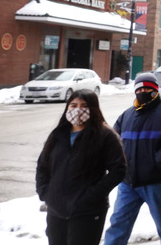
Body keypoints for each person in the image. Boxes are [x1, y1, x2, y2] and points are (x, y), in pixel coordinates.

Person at [36, 89, 126, 245]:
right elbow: (43, 165)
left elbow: (119, 170)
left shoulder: (105, 136)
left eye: (84, 105)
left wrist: (92, 195)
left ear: (93, 108)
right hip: (56, 210)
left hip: (87, 212)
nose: (78, 110)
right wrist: (45, 192)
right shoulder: (58, 135)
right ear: (67, 108)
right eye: (73, 105)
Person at [104, 73, 161, 245]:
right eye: (139, 88)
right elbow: (113, 143)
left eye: (147, 88)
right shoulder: (126, 115)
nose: (143, 91)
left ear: (155, 89)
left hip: (155, 182)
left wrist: (158, 163)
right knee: (118, 225)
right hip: (128, 183)